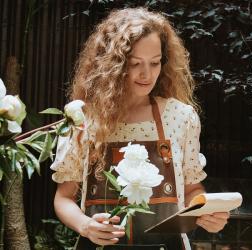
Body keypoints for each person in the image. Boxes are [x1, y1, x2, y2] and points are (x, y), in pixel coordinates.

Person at [51, 7, 228, 249]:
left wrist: (205, 210)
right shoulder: (84, 118)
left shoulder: (180, 117)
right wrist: (84, 225)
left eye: (155, 63)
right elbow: (64, 197)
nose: (147, 74)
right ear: (113, 64)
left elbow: (192, 189)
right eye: (135, 63)